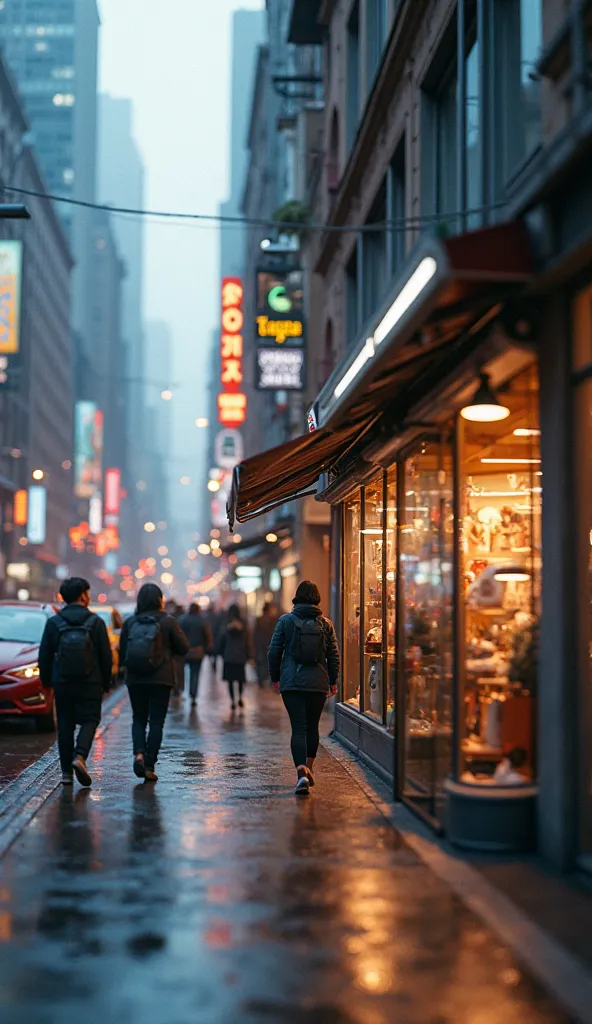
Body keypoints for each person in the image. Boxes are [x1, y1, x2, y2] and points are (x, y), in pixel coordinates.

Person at [39, 577, 113, 787]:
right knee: (90, 720)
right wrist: (106, 682)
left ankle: (66, 774)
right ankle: (79, 756)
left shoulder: (54, 622)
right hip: (90, 682)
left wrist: (47, 681)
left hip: (62, 682)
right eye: (87, 593)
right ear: (82, 595)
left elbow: (44, 654)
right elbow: (105, 656)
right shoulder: (95, 622)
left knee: (65, 724)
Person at [269, 581, 340, 796]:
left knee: (298, 727)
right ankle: (309, 769)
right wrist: (333, 680)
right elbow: (333, 655)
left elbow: (274, 651)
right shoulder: (326, 624)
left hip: (292, 682)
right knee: (312, 727)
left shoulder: (285, 621)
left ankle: (301, 773)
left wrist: (275, 677)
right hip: (318, 683)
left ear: (296, 597)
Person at [119, 583, 189, 782]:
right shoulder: (168, 621)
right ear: (160, 600)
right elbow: (184, 647)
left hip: (135, 678)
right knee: (157, 721)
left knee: (139, 718)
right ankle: (149, 766)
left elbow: (123, 651)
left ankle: (139, 753)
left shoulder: (130, 622)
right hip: (161, 678)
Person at [218, 604, 254, 711]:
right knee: (240, 679)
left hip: (229, 656)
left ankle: (232, 700)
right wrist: (250, 655)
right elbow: (248, 641)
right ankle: (240, 697)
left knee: (230, 680)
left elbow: (221, 640)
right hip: (240, 656)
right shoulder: (244, 624)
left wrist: (221, 653)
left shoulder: (225, 624)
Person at [178, 603, 213, 705]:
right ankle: (193, 695)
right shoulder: (202, 621)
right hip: (198, 651)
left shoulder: (182, 620)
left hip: (184, 651)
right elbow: (208, 637)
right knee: (195, 673)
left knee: (182, 672)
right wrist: (208, 648)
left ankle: (181, 689)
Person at [253, 602, 278, 687]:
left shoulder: (259, 619)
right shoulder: (274, 620)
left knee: (261, 663)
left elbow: (255, 634)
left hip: (261, 645)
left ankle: (261, 680)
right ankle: (270, 681)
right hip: (270, 644)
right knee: (270, 663)